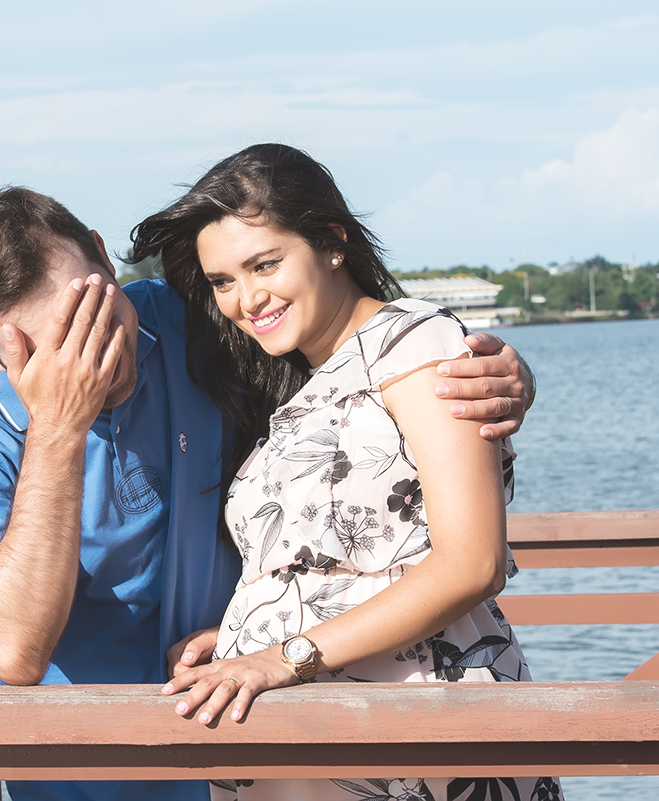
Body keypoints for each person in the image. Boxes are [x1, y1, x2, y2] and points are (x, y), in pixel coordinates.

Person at [0, 185, 538, 801]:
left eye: (97, 316)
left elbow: (367, 356)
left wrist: (490, 374)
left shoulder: (205, 320)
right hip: (84, 779)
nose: (93, 356)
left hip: (259, 755)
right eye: (54, 348)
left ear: (106, 258)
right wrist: (58, 426)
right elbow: (13, 652)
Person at [130, 143, 562, 801]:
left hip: (409, 726)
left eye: (265, 263)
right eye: (223, 281)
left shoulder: (414, 343)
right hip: (303, 739)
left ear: (333, 240)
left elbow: (472, 563)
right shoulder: (297, 387)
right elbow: (338, 563)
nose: (247, 298)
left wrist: (282, 655)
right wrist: (264, 617)